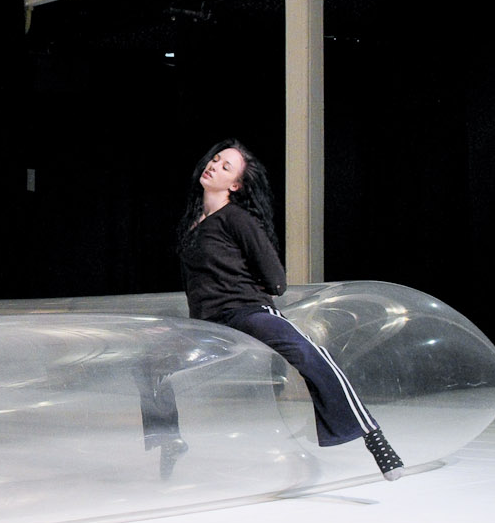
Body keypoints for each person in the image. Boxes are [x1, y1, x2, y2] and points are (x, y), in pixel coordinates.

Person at [174, 138, 409, 480]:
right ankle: (166, 439)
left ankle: (374, 437)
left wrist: (240, 291)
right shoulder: (191, 225)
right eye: (215, 159)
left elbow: (277, 282)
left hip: (245, 312)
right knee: (154, 369)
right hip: (209, 322)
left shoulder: (236, 219)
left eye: (226, 166)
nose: (214, 165)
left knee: (310, 355)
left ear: (235, 184)